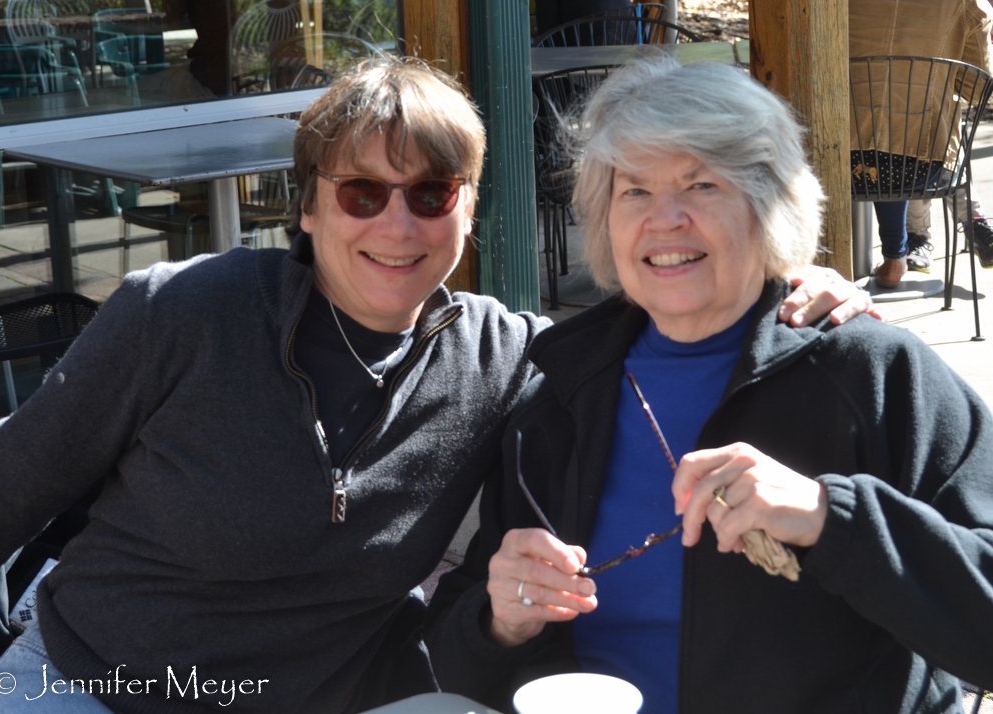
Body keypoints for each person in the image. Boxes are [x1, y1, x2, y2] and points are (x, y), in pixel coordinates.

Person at [0, 57, 872, 713]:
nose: (399, 222)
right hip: (91, 685)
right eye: (363, 193)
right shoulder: (184, 312)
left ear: (469, 208)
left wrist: (795, 281)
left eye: (432, 191)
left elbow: (668, 309)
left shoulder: (510, 356)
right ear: (306, 207)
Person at [425, 58, 993, 714]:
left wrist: (830, 518)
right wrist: (498, 623)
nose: (664, 220)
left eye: (701, 186)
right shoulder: (557, 396)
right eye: (634, 190)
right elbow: (451, 661)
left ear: (767, 204)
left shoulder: (868, 373)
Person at [849, 0, 993, 286]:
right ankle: (902, 253)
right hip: (921, 168)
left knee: (877, 144)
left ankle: (898, 253)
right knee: (919, 135)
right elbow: (977, 90)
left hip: (836, 161)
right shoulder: (965, 4)